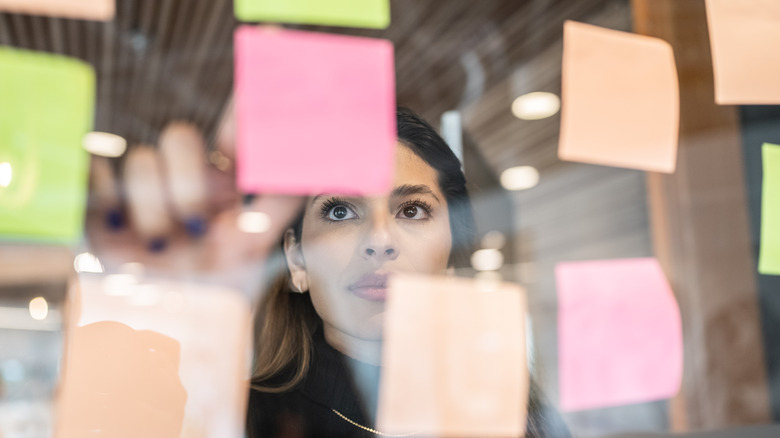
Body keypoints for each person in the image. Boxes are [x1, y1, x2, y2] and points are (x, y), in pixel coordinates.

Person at [247, 108, 571, 438]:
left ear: (451, 250)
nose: (379, 240)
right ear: (296, 259)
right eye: (340, 211)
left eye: (412, 210)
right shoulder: (237, 421)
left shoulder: (517, 418)